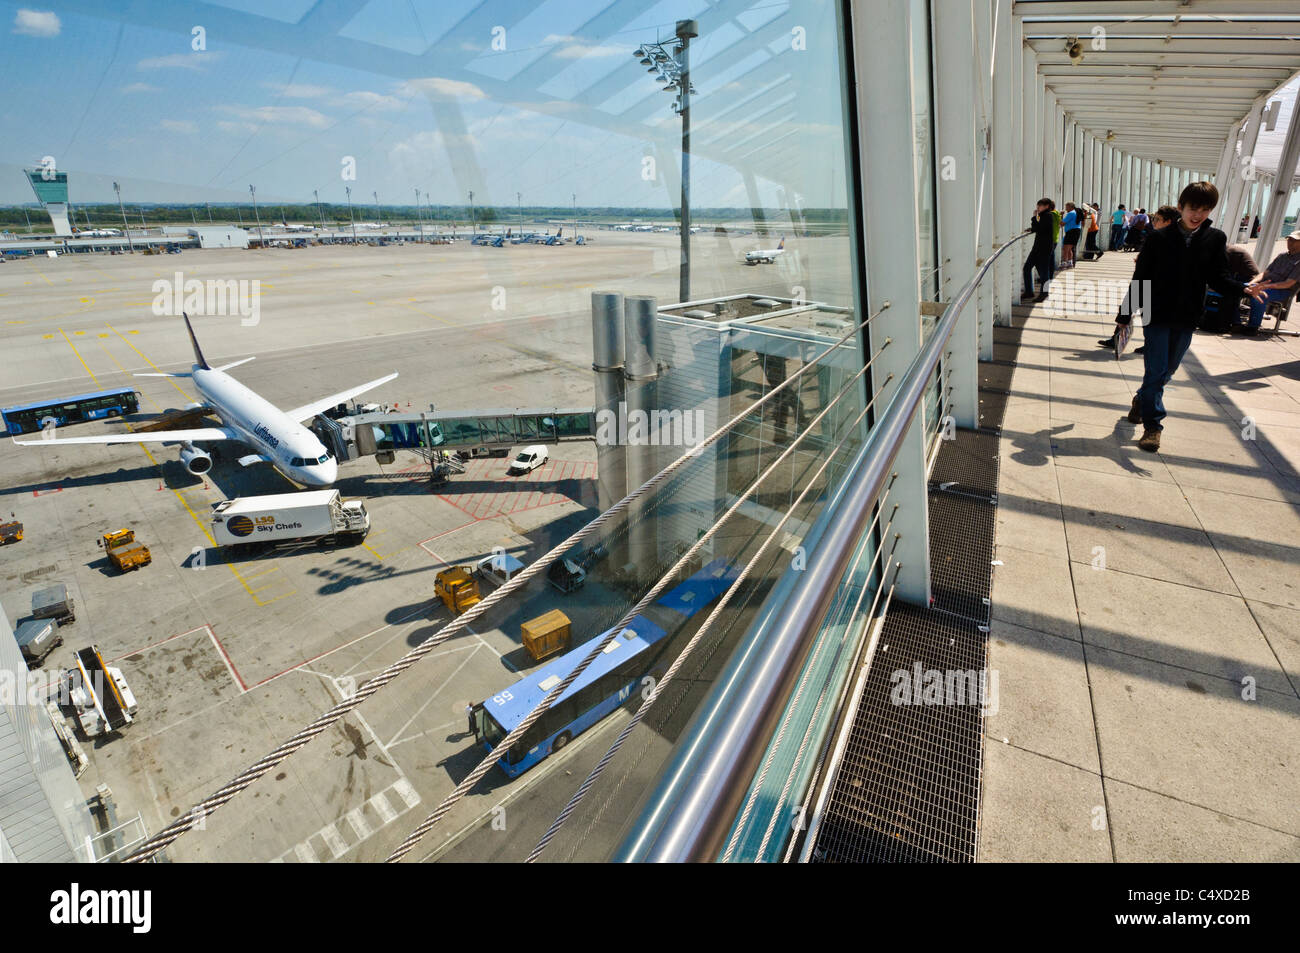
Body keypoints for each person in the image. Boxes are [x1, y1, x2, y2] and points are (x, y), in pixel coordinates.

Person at [1111, 181, 1266, 452]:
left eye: (1205, 210)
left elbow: (1218, 277)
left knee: (1167, 371)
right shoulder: (1158, 238)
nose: (1198, 215)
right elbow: (1141, 279)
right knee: (1156, 370)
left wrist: (1243, 288)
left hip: (1188, 316)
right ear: (1181, 207)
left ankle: (1141, 399)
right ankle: (1153, 426)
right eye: (1193, 208)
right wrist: (1125, 314)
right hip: (1156, 314)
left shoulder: (1215, 239)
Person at [1098, 206, 1180, 351]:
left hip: (1151, 284)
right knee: (1128, 310)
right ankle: (1118, 339)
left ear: (1168, 221)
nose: (1153, 222)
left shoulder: (1166, 238)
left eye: (1157, 219)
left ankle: (1148, 344)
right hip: (1144, 281)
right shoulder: (1160, 236)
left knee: (1144, 313)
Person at [1240, 230, 1300, 335]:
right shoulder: (1282, 256)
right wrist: (1252, 283)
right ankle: (1235, 321)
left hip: (1282, 290)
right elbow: (1265, 273)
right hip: (1266, 284)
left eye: (1294, 240)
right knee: (1239, 287)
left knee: (1260, 294)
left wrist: (1265, 286)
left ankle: (1253, 327)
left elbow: (1288, 284)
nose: (1289, 242)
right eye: (1289, 239)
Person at [1021, 198, 1057, 303]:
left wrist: (1034, 217)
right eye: (1038, 205)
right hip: (1037, 247)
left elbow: (1039, 228)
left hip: (1044, 248)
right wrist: (1033, 226)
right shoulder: (1042, 216)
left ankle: (1044, 293)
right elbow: (1037, 227)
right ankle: (1029, 291)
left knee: (1044, 272)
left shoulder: (1048, 216)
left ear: (1046, 206)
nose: (1038, 207)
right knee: (1027, 268)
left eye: (1040, 205)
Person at [1060, 202, 1081, 268]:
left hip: (1071, 232)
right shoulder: (1076, 212)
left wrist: (1060, 215)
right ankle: (1070, 263)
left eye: (1066, 207)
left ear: (1070, 207)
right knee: (1070, 249)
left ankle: (1064, 263)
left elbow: (1062, 223)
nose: (1066, 209)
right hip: (1076, 231)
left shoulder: (1071, 213)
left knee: (1065, 248)